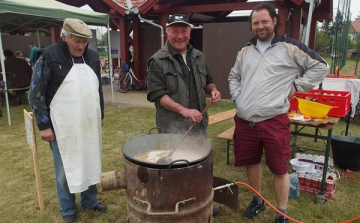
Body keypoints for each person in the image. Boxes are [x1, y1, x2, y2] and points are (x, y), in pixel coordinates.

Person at [228, 3, 329, 223]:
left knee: (279, 168)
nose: (260, 26)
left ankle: (281, 212)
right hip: (246, 121)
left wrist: (298, 86)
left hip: (274, 120)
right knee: (251, 163)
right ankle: (258, 200)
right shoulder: (245, 51)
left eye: (264, 21)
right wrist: (238, 97)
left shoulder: (289, 47)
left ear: (275, 21)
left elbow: (321, 66)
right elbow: (233, 77)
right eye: (255, 23)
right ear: (251, 26)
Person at [28, 18, 106, 223]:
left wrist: (101, 114)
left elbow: (97, 89)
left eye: (84, 41)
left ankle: (90, 199)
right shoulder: (49, 56)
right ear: (65, 36)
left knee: (90, 159)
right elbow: (35, 93)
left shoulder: (92, 57)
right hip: (63, 125)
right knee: (65, 168)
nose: (81, 46)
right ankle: (68, 207)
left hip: (88, 120)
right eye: (77, 41)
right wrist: (43, 125)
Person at [147, 14, 221, 138]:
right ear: (167, 33)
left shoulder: (199, 56)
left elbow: (208, 80)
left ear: (189, 33)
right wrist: (184, 110)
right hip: (172, 128)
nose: (180, 36)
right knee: (175, 157)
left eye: (184, 31)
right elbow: (157, 95)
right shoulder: (157, 60)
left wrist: (213, 90)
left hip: (199, 124)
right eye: (175, 32)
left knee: (200, 156)